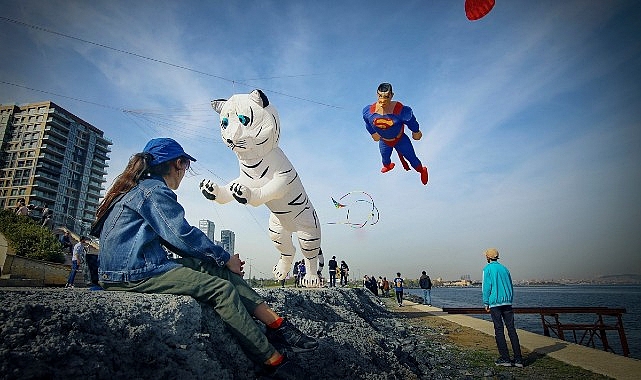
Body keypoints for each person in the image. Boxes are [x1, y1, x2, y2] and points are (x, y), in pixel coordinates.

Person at [94, 137, 317, 378]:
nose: (184, 173)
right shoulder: (154, 191)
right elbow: (182, 235)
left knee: (213, 268)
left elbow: (177, 241)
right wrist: (225, 258)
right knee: (221, 290)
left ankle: (277, 325)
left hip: (130, 267)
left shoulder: (140, 189)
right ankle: (273, 362)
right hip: (133, 272)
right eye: (186, 166)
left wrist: (218, 261)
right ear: (177, 164)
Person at [362, 82, 428, 185]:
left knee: (412, 158)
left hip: (400, 140)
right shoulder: (369, 111)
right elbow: (367, 122)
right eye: (380, 96)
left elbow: (411, 121)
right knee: (385, 158)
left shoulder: (401, 110)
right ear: (377, 95)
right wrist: (372, 132)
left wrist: (416, 131)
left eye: (386, 97)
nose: (383, 100)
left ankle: (421, 170)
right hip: (384, 141)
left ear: (391, 96)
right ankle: (388, 166)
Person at [482, 248, 524, 368]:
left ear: (488, 257)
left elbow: (486, 287)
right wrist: (509, 299)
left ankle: (505, 358)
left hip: (495, 303)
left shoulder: (487, 269)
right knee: (511, 329)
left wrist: (486, 303)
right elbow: (510, 285)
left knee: (499, 329)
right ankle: (518, 359)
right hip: (507, 302)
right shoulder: (505, 269)